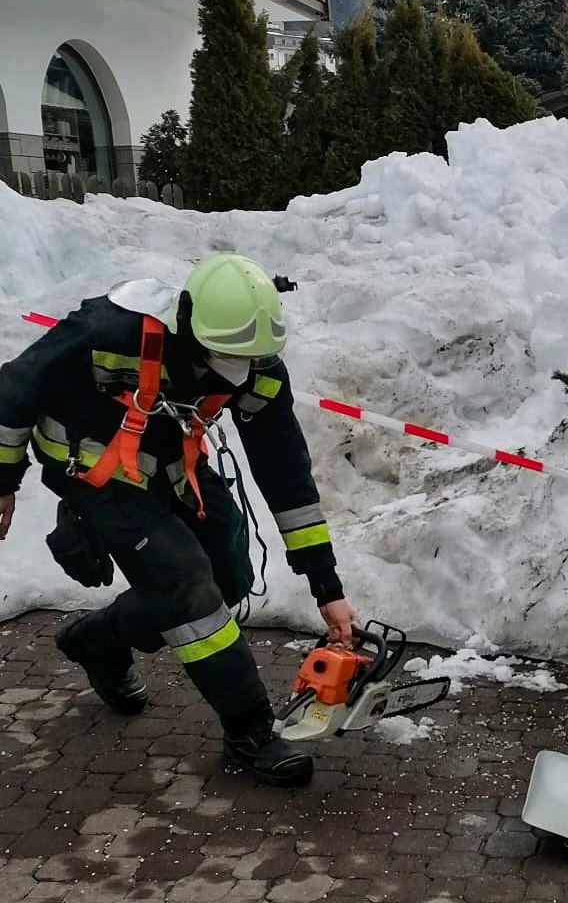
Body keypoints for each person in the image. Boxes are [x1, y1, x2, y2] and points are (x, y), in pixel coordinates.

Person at [0, 254, 358, 787]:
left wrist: (326, 585)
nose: (239, 373)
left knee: (229, 576)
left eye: (251, 359)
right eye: (227, 358)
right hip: (93, 474)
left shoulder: (255, 364)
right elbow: (12, 391)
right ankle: (250, 731)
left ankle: (98, 640)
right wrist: (4, 481)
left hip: (170, 466)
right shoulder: (107, 330)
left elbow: (285, 474)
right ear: (190, 326)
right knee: (185, 583)